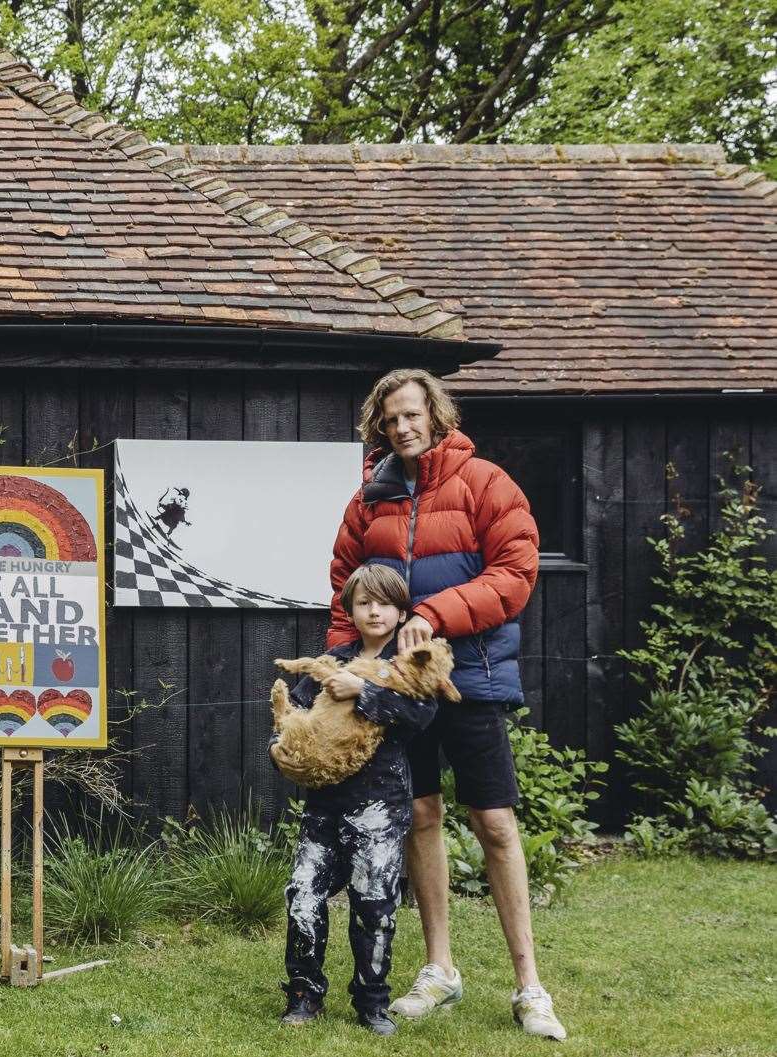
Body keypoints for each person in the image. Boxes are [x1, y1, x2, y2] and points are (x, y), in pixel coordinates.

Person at [327, 368, 566, 1040]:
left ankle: (529, 985)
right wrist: (349, 670)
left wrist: (434, 611)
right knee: (420, 814)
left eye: (412, 415)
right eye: (390, 419)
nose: (402, 428)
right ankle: (440, 969)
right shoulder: (368, 501)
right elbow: (346, 588)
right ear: (380, 427)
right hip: (398, 691)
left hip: (473, 678)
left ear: (436, 414)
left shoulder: (485, 482)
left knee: (493, 822)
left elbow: (515, 572)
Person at [277, 564, 438, 1036]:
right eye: (363, 602)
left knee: (374, 903)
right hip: (324, 804)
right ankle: (304, 994)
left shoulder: (410, 661)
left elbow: (421, 714)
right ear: (349, 609)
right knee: (303, 897)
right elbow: (298, 716)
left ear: (401, 610)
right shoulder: (332, 658)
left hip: (380, 807)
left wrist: (363, 691)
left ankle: (372, 1002)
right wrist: (282, 749)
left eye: (383, 602)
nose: (373, 611)